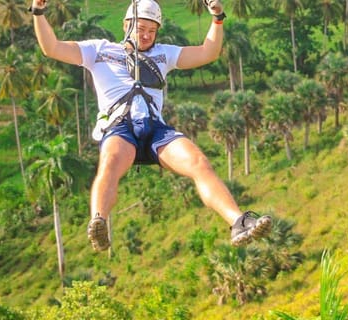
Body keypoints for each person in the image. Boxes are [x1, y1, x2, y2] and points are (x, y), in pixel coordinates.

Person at [29, 0, 272, 251]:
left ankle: (238, 221)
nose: (146, 35)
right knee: (111, 161)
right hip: (120, 128)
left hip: (156, 129)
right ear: (126, 25)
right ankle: (98, 221)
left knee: (198, 162)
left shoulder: (163, 54)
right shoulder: (98, 50)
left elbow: (207, 53)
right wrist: (38, 11)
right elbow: (52, 48)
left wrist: (217, 18)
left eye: (152, 31)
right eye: (141, 28)